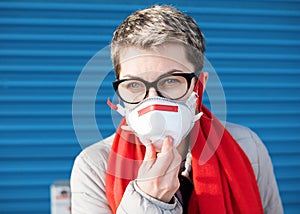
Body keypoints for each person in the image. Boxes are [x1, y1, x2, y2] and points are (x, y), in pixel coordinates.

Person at [71, 5, 283, 214]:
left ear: (199, 85)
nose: (152, 101)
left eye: (171, 80)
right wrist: (148, 201)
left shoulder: (247, 147)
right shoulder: (94, 167)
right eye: (134, 84)